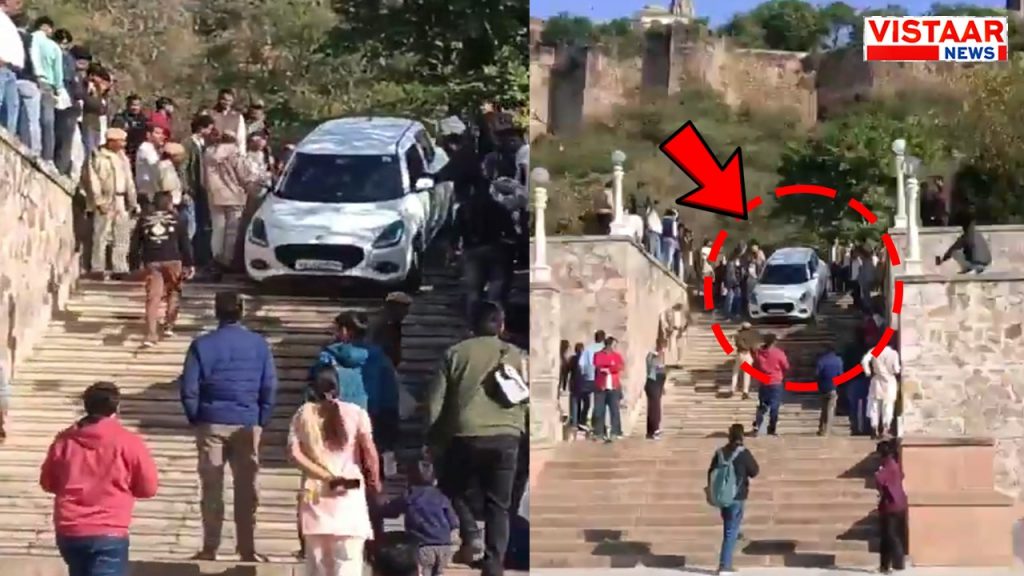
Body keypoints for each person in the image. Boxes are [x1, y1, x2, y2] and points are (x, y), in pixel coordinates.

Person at [427, 301, 526, 576]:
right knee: (499, 505)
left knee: (449, 486)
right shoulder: (517, 355)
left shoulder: (454, 354)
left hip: (465, 434)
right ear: (501, 324)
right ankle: (494, 566)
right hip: (508, 436)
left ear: (470, 325)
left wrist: (433, 439)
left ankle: (470, 533)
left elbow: (436, 402)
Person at [179, 291, 278, 562]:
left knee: (212, 486)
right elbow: (269, 385)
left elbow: (189, 387)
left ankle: (210, 547)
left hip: (211, 420)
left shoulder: (202, 345)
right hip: (247, 421)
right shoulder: (259, 345)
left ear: (216, 312)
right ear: (241, 311)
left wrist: (196, 417)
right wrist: (262, 419)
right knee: (247, 488)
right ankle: (247, 548)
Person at [40, 382, 159, 575]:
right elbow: (148, 487)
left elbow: (48, 482)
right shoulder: (128, 441)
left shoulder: (64, 441)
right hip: (109, 528)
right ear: (116, 408)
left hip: (70, 529)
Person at [289, 366, 380, 576]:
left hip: (316, 499)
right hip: (350, 498)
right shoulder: (356, 413)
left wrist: (326, 476)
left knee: (318, 567)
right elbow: (370, 452)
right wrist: (375, 482)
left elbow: (294, 454)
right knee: (348, 565)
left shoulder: (302, 414)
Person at [135, 190, 194, 347]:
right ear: (169, 204)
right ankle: (169, 324)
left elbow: (135, 244)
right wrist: (189, 263)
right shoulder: (178, 219)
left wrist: (134, 264)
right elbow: (185, 244)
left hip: (152, 261)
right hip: (173, 259)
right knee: (174, 291)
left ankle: (151, 334)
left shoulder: (144, 220)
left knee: (153, 298)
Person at [379, 460, 458, 576]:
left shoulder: (410, 495)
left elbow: (392, 511)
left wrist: (381, 506)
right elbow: (454, 521)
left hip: (422, 545)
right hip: (444, 545)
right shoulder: (441, 496)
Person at [83, 127, 138, 280]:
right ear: (111, 141)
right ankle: (97, 267)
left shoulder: (123, 158)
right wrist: (98, 200)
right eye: (121, 141)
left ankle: (120, 267)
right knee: (101, 234)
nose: (124, 144)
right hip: (106, 199)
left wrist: (133, 202)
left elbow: (129, 181)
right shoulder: (97, 156)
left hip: (121, 200)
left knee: (122, 234)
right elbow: (92, 180)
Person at [706, 424, 759, 576]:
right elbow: (754, 471)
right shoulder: (743, 453)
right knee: (730, 531)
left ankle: (731, 550)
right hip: (738, 496)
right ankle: (724, 565)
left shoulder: (720, 452)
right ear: (742, 436)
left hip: (723, 496)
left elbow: (711, 472)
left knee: (730, 527)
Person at [204, 130, 256, 276]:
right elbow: (244, 175)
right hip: (234, 195)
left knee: (218, 228)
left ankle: (216, 258)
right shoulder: (234, 153)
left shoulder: (208, 152)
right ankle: (227, 260)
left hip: (214, 194)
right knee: (232, 231)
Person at [311, 312, 371, 410]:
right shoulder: (378, 357)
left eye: (337, 329)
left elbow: (316, 387)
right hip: (365, 416)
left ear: (344, 331)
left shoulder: (327, 357)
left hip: (334, 415)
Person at [184, 114, 215, 267]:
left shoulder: (203, 144)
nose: (210, 132)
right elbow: (184, 168)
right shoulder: (188, 144)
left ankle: (200, 257)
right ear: (201, 128)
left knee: (202, 225)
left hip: (201, 189)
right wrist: (186, 189)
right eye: (209, 128)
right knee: (191, 226)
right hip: (192, 190)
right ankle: (189, 259)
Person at [28, 16, 60, 163]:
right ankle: (47, 156)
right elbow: (58, 72)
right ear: (47, 27)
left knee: (31, 117)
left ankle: (31, 145)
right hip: (47, 84)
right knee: (48, 122)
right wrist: (58, 89)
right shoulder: (52, 46)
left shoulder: (29, 38)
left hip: (31, 79)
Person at [874, 440, 908, 574]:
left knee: (890, 536)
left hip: (891, 505)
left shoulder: (888, 465)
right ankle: (884, 566)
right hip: (898, 503)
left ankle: (897, 563)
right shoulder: (895, 464)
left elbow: (880, 480)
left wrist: (878, 474)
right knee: (888, 537)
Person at [862, 335, 901, 439]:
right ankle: (885, 428)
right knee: (887, 406)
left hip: (877, 379)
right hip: (889, 381)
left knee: (874, 405)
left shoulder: (875, 350)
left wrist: (868, 372)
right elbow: (896, 369)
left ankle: (874, 427)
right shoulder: (893, 353)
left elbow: (865, 360)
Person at [752, 334, 788, 436]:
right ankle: (772, 427)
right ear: (774, 342)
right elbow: (785, 365)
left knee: (762, 405)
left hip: (764, 381)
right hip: (775, 381)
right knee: (775, 405)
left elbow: (755, 366)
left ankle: (758, 425)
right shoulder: (778, 353)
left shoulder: (759, 353)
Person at [367, 291, 413, 369]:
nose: (406, 312)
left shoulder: (394, 324)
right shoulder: (381, 323)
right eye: (404, 308)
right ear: (394, 306)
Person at [592, 336, 625, 443]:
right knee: (599, 411)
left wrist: (609, 368)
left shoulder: (617, 356)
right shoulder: (598, 355)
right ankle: (599, 432)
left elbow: (620, 366)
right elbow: (598, 365)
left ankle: (615, 432)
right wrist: (610, 366)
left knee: (614, 411)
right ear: (609, 345)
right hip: (601, 386)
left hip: (613, 386)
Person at [134, 123, 167, 208]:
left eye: (162, 133)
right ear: (148, 135)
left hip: (153, 192)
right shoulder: (146, 148)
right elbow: (157, 167)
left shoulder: (153, 149)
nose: (161, 136)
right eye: (157, 133)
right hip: (148, 194)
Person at [815, 344, 843, 436]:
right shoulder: (838, 360)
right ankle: (827, 430)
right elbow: (840, 374)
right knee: (830, 409)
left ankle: (821, 428)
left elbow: (817, 374)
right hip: (833, 387)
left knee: (823, 408)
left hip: (823, 387)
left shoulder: (821, 360)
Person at [110, 94, 147, 162]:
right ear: (128, 105)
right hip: (124, 151)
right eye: (133, 105)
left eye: (137, 105)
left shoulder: (143, 119)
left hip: (139, 152)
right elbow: (114, 136)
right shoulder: (120, 118)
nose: (135, 108)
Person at [210, 88, 247, 153]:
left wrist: (242, 154)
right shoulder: (211, 114)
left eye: (229, 100)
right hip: (213, 150)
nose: (226, 102)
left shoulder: (238, 117)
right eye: (224, 99)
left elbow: (241, 138)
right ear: (219, 99)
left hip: (231, 151)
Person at [644, 339, 667, 440]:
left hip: (658, 384)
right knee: (654, 408)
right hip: (653, 383)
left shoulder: (660, 357)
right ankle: (654, 430)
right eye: (662, 347)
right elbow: (652, 369)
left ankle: (651, 431)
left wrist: (663, 387)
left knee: (654, 407)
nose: (663, 350)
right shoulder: (652, 356)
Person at [731, 322, 760, 400]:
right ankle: (745, 391)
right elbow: (754, 346)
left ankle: (733, 388)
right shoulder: (751, 336)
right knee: (747, 374)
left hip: (740, 354)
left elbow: (737, 343)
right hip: (748, 354)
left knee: (735, 372)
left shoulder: (738, 335)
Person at [566, 342, 589, 432]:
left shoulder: (572, 359)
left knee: (575, 403)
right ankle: (581, 421)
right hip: (584, 384)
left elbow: (567, 371)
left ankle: (575, 423)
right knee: (585, 403)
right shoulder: (585, 359)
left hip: (574, 384)